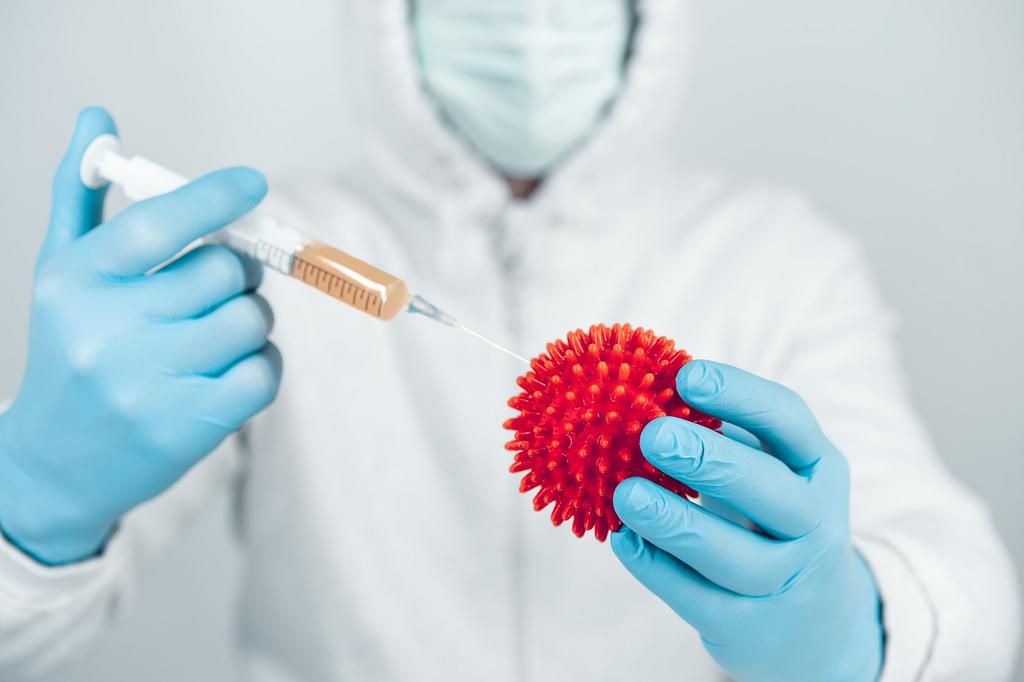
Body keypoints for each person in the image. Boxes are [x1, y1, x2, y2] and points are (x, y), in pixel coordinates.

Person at [0, 1, 1019, 680]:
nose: (531, 24)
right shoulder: (261, 267)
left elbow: (974, 598)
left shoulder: (776, 258)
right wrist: (35, 499)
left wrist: (852, 629)